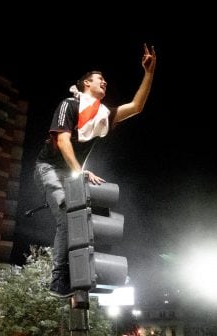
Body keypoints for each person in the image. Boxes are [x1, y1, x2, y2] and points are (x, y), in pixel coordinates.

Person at [33, 44, 157, 297]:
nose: (106, 82)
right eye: (100, 79)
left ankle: (87, 271)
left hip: (71, 171)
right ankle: (58, 279)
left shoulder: (103, 114)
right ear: (86, 84)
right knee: (68, 214)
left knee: (84, 220)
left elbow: (136, 107)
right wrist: (79, 172)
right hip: (49, 168)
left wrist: (149, 73)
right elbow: (63, 141)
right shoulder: (70, 104)